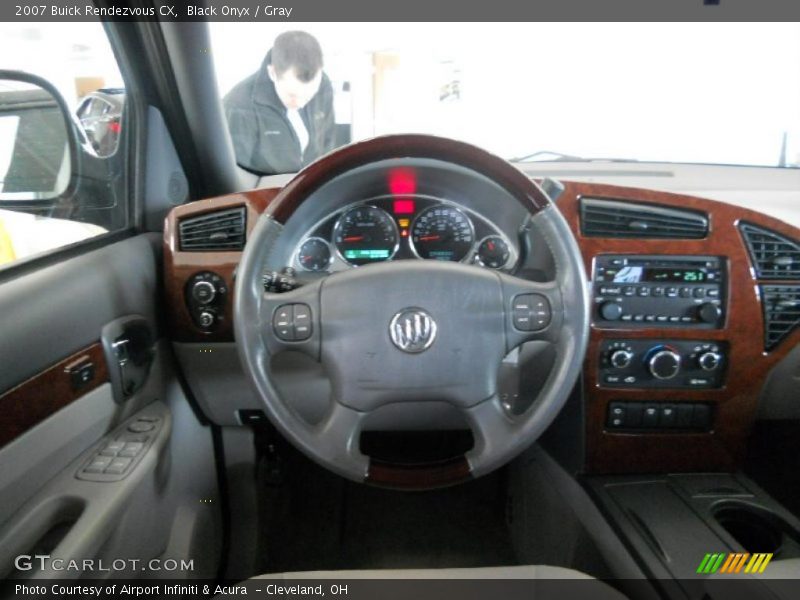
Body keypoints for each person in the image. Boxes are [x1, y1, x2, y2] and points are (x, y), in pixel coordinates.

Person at [223, 31, 336, 174]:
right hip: (266, 191)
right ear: (272, 73)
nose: (301, 104)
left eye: (309, 97)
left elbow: (327, 141)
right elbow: (235, 176)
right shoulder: (238, 107)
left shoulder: (323, 86)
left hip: (311, 186)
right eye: (292, 96)